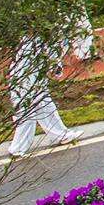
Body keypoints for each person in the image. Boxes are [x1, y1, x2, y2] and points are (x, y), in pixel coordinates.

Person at [10, 21, 73, 157]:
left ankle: (61, 135)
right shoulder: (48, 43)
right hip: (28, 82)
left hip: (26, 80)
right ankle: (17, 148)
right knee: (27, 114)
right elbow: (54, 68)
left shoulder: (28, 40)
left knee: (45, 106)